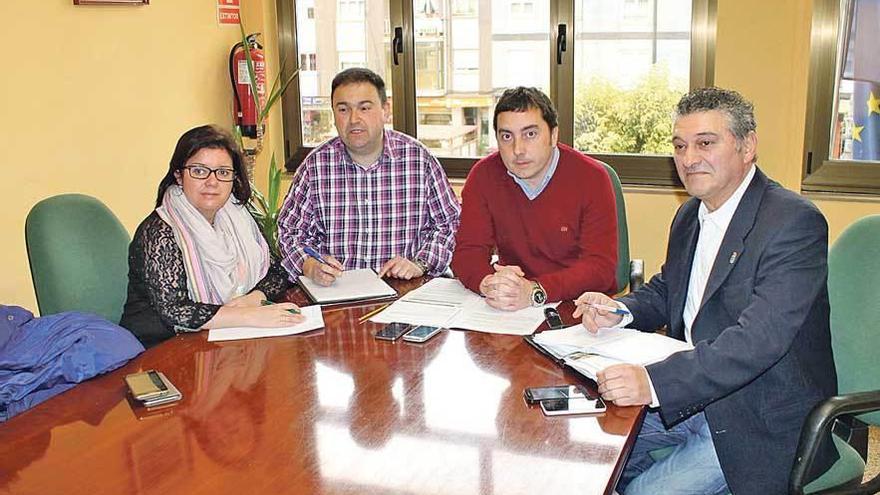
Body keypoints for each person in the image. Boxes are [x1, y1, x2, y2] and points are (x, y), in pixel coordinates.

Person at [573, 87, 837, 494]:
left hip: (760, 414)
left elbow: (758, 340)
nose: (689, 158)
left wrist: (655, 382)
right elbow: (669, 289)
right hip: (696, 394)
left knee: (645, 491)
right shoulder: (689, 214)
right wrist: (620, 310)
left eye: (705, 143)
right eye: (680, 145)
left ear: (747, 146)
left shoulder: (793, 223)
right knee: (589, 450)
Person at [120, 125, 302, 348]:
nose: (212, 182)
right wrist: (250, 316)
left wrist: (252, 300)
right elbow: (175, 311)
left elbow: (277, 272)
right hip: (161, 348)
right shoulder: (159, 232)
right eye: (199, 171)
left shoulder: (238, 216)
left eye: (223, 172)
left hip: (222, 340)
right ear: (179, 175)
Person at [278, 68, 460, 286]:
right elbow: (290, 232)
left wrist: (419, 263)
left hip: (405, 290)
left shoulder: (418, 160)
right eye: (343, 109)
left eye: (364, 108)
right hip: (337, 292)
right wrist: (308, 264)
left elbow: (450, 223)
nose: (354, 119)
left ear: (385, 110)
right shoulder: (315, 166)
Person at [451, 86, 618, 311]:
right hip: (510, 309)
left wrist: (535, 291)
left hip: (578, 308)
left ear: (553, 135)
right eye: (507, 136)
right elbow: (467, 253)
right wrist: (488, 283)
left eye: (530, 134)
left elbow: (600, 268)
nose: (518, 149)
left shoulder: (592, 178)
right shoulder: (483, 176)